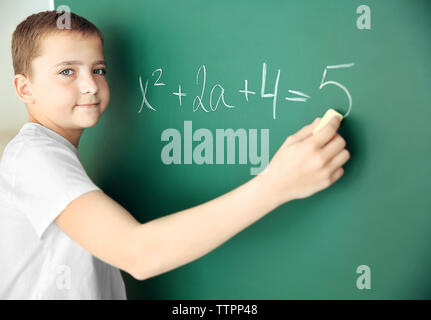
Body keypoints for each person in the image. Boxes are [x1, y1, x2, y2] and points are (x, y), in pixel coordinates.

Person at [0, 10, 350, 299]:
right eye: (67, 72)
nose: (91, 84)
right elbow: (138, 253)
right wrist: (278, 185)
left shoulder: (54, 155)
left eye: (99, 70)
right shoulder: (34, 156)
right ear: (24, 87)